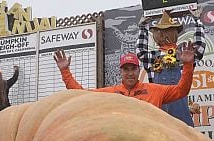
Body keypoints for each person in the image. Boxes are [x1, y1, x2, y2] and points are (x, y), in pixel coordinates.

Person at [53, 41, 195, 109]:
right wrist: (65, 71)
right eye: (126, 69)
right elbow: (81, 94)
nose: (130, 73)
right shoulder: (110, 93)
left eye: (133, 69)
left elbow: (181, 90)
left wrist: (188, 65)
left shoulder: (156, 90)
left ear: (139, 70)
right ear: (120, 72)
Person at [136, 9, 206, 127]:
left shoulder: (182, 54)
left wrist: (142, 27)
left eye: (166, 31)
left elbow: (140, 50)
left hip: (174, 117)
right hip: (162, 117)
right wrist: (197, 21)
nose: (161, 35)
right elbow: (199, 48)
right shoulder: (158, 56)